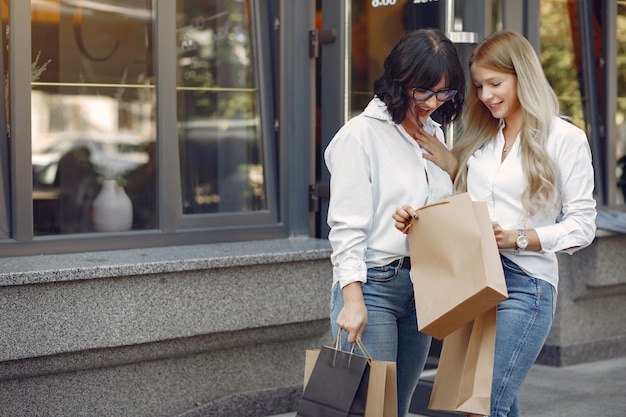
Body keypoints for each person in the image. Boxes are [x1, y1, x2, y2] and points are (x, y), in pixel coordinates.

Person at [392, 31, 597, 417]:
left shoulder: (565, 138)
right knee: (493, 401)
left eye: (495, 84)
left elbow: (583, 225)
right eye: (479, 86)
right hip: (477, 281)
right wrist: (428, 203)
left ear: (523, 77)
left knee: (484, 405)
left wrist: (518, 238)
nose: (485, 96)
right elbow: (470, 205)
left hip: (527, 285)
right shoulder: (482, 138)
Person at [324, 28, 465, 416]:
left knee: (397, 408)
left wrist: (451, 168)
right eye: (424, 91)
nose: (433, 103)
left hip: (421, 290)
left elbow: (447, 213)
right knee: (373, 409)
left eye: (444, 93)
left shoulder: (435, 134)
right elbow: (347, 226)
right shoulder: (361, 136)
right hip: (374, 286)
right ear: (400, 81)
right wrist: (351, 300)